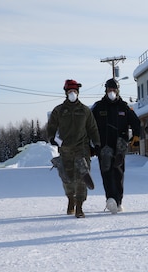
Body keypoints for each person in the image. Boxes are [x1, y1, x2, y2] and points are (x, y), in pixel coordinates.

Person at [47, 79, 101, 218]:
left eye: (75, 91)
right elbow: (51, 127)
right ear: (66, 93)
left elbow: (92, 128)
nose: (73, 93)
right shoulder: (59, 110)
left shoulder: (85, 110)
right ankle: (71, 198)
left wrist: (97, 143)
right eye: (70, 91)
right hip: (65, 149)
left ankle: (79, 206)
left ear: (78, 92)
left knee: (82, 176)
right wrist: (52, 137)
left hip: (82, 148)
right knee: (68, 178)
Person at [91, 78, 141, 214]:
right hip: (104, 145)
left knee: (118, 173)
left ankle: (118, 201)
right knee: (106, 171)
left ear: (117, 91)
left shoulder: (124, 107)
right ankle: (111, 199)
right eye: (109, 90)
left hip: (120, 146)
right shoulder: (98, 107)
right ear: (106, 91)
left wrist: (136, 136)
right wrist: (92, 144)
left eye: (114, 90)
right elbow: (89, 126)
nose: (111, 92)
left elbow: (136, 123)